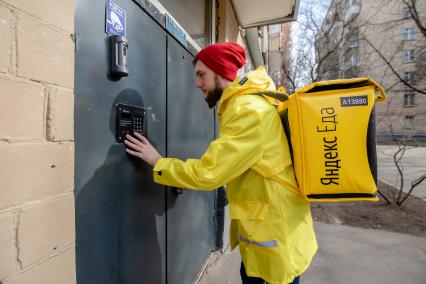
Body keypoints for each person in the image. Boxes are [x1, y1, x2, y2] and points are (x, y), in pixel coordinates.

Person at [124, 42, 317, 284]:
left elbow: (209, 173)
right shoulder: (250, 104)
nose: (197, 83)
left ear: (222, 71)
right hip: (274, 232)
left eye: (202, 74)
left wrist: (158, 162)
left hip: (276, 237)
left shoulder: (248, 111)